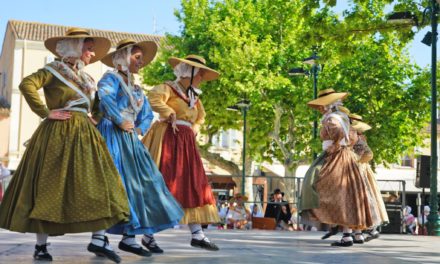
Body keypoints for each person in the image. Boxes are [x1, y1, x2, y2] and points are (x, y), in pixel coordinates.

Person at [0, 28, 130, 263]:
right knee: (49, 187)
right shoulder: (53, 70)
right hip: (58, 132)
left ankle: (98, 240)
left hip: (86, 135)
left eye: (91, 49)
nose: (92, 53)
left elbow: (99, 103)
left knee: (101, 182)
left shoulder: (89, 79)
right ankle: (41, 246)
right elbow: (27, 84)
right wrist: (46, 112)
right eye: (89, 48)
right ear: (75, 47)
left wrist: (96, 118)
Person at [96, 39, 184, 256]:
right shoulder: (110, 78)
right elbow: (104, 98)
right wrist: (118, 119)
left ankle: (128, 237)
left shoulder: (136, 88)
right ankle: (100, 237)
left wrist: (139, 129)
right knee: (115, 183)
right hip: (112, 134)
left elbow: (146, 114)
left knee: (144, 183)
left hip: (130, 139)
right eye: (137, 57)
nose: (141, 61)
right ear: (123, 58)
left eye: (141, 58)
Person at [142, 55, 220, 250]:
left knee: (192, 184)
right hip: (168, 138)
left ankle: (197, 234)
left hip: (186, 142)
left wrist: (195, 127)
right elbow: (153, 97)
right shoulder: (168, 88)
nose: (201, 78)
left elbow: (201, 116)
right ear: (189, 72)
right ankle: (147, 235)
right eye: (199, 74)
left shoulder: (194, 97)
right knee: (164, 183)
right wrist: (169, 113)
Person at [300, 89, 373, 247]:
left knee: (314, 183)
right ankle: (353, 234)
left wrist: (333, 147)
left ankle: (347, 234)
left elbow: (338, 134)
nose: (319, 108)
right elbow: (352, 138)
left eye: (321, 106)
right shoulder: (343, 117)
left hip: (336, 156)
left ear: (327, 104)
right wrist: (344, 145)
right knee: (347, 195)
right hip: (347, 156)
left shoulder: (331, 118)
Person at [350, 115, 389, 242]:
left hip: (360, 171)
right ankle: (362, 230)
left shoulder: (358, 139)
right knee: (366, 199)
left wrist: (358, 161)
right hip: (361, 170)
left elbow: (368, 154)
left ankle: (368, 229)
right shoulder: (358, 137)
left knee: (364, 200)